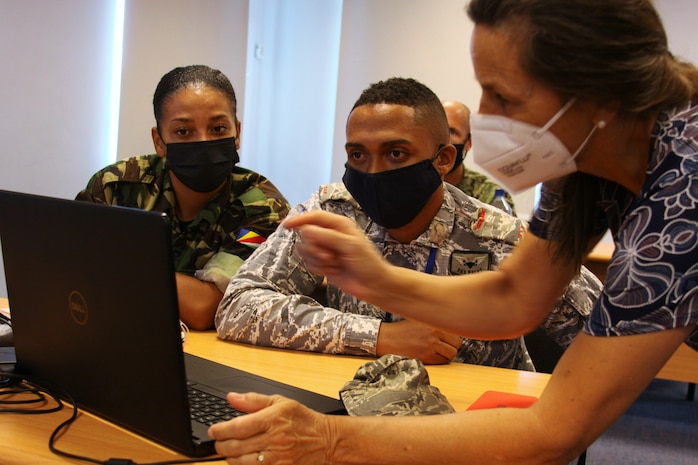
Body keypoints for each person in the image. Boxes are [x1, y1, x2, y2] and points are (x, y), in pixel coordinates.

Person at [208, 1, 698, 463]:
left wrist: (329, 438)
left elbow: (556, 432)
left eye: (504, 95)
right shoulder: (581, 163)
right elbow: (514, 296)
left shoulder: (685, 186)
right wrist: (376, 281)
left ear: (599, 97)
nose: (486, 116)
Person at [215, 77, 600, 369]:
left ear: (444, 159)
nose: (374, 171)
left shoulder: (498, 237)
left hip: (471, 429)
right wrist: (381, 337)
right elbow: (237, 306)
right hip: (355, 410)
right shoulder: (333, 213)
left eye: (396, 154)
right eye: (358, 155)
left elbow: (608, 333)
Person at [76, 65, 290, 330]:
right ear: (159, 141)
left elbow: (204, 308)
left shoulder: (262, 210)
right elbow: (70, 278)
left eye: (218, 128)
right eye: (183, 132)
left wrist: (118, 264)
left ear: (237, 134)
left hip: (210, 359)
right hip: (112, 333)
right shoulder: (115, 188)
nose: (203, 141)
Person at [442, 99, 517, 214]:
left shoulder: (491, 194)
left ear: (469, 143)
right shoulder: (412, 184)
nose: (444, 138)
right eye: (439, 130)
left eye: (452, 132)